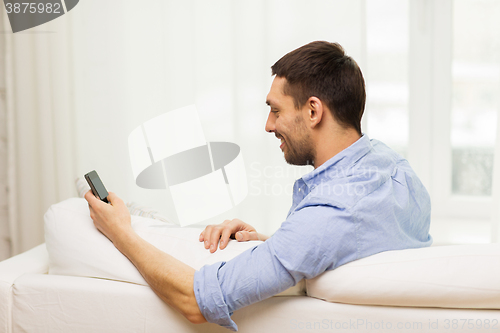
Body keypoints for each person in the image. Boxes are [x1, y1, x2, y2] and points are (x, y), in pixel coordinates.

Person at [85, 41, 432, 331]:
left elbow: (196, 301)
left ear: (313, 111)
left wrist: (121, 232)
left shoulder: (331, 213)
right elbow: (349, 239)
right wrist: (274, 243)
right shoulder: (390, 166)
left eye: (276, 110)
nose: (268, 126)